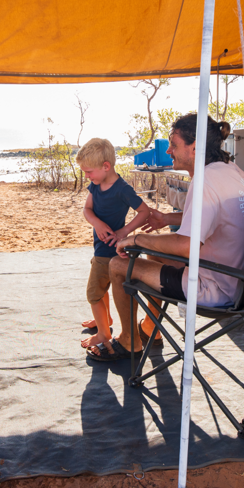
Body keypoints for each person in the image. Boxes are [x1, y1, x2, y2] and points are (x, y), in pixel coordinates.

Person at [86, 114, 244, 362]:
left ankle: (128, 341)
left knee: (118, 264)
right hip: (241, 280)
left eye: (174, 144)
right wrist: (166, 219)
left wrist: (135, 240)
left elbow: (187, 245)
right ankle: (150, 329)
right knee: (155, 254)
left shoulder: (205, 181)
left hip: (214, 288)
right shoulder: (230, 172)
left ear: (194, 147)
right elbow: (211, 217)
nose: (168, 150)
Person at [76, 138, 151, 350]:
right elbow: (87, 210)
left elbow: (144, 212)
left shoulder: (122, 189)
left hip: (112, 252)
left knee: (93, 294)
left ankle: (103, 333)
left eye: (89, 171)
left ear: (106, 166)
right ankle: (105, 321)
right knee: (101, 290)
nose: (87, 176)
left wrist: (124, 231)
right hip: (99, 247)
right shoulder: (95, 184)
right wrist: (97, 224)